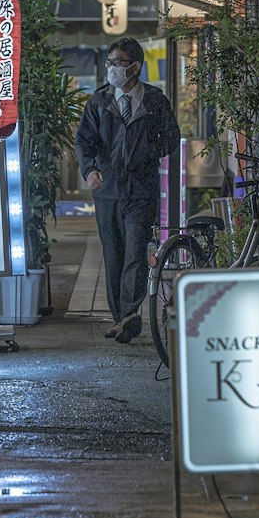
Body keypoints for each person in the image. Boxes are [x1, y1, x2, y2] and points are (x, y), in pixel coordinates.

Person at [75, 37, 182, 344]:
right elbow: (84, 141)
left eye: (118, 63)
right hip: (107, 191)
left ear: (135, 66)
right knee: (113, 254)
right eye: (110, 63)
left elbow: (171, 137)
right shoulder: (99, 102)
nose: (112, 69)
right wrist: (90, 169)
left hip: (141, 191)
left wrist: (147, 151)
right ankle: (120, 316)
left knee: (135, 253)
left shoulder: (154, 100)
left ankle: (131, 314)